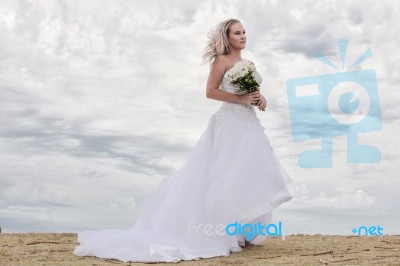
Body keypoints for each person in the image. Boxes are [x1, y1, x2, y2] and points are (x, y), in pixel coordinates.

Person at [73, 18, 292, 263]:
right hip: (229, 123)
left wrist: (260, 100)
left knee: (250, 173)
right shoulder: (221, 61)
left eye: (244, 32)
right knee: (225, 174)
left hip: (249, 123)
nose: (243, 36)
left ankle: (241, 232)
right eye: (237, 33)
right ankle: (221, 233)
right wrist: (241, 99)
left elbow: (252, 93)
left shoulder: (249, 64)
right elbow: (210, 91)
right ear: (227, 38)